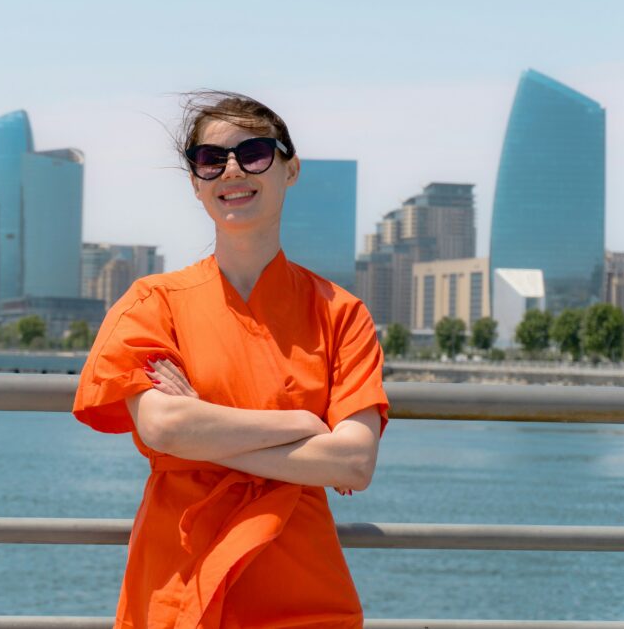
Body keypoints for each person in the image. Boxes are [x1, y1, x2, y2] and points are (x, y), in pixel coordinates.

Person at [73, 91, 389, 628]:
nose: (233, 170)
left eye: (255, 153)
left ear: (291, 169)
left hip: (301, 590)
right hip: (179, 579)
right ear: (195, 182)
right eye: (211, 159)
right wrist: (304, 425)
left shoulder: (341, 314)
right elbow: (165, 428)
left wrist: (205, 432)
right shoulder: (152, 304)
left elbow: (353, 463)